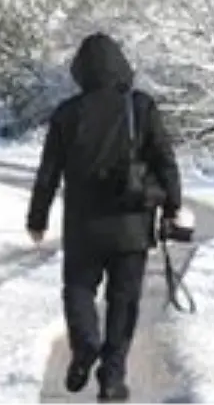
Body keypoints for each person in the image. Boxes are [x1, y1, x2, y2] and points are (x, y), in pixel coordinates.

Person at [26, 32, 183, 402]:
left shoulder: (67, 113)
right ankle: (112, 377)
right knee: (123, 301)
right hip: (131, 225)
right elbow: (165, 160)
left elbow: (48, 172)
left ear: (80, 71)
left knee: (78, 290)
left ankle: (85, 344)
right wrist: (173, 205)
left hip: (83, 226)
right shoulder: (141, 107)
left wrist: (38, 218)